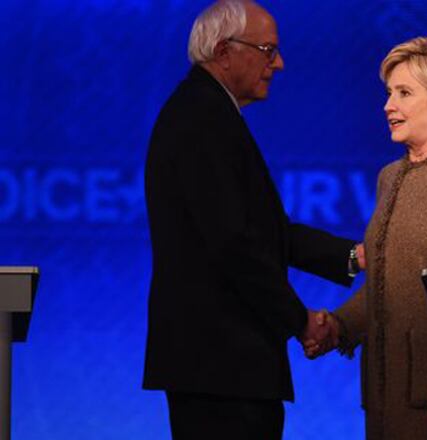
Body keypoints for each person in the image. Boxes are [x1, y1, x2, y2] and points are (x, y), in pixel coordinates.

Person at [143, 1, 362, 438]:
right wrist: (300, 320)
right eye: (267, 50)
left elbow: (263, 231)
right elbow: (234, 244)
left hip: (222, 367)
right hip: (221, 367)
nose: (278, 64)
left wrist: (353, 256)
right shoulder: (201, 118)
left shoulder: (207, 112)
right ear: (224, 51)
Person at [304, 35, 427, 439]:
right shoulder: (390, 176)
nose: (388, 105)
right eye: (389, 92)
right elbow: (388, 282)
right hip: (383, 390)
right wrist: (339, 325)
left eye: (404, 93)